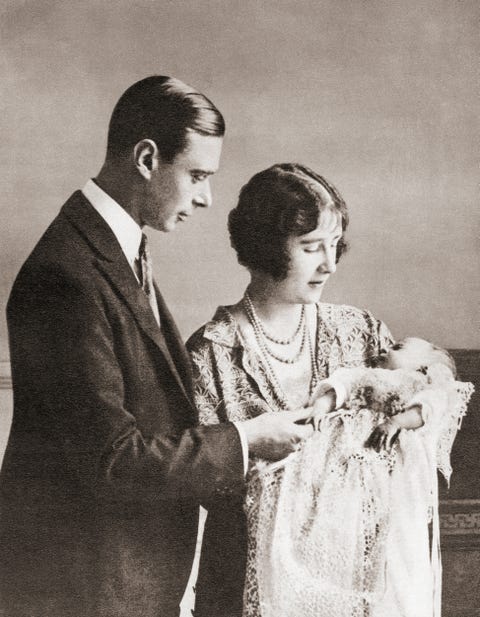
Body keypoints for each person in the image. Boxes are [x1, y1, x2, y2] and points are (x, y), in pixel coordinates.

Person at [0, 78, 313, 617]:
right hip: (78, 588)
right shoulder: (65, 273)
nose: (206, 197)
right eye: (197, 175)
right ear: (147, 157)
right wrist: (245, 439)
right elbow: (113, 460)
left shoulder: (113, 250)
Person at [187, 163, 395, 617]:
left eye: (335, 245)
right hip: (245, 582)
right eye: (310, 247)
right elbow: (202, 482)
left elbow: (415, 408)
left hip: (351, 583)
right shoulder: (211, 353)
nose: (330, 264)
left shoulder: (360, 331)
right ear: (264, 247)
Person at [248, 337, 473, 617]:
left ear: (428, 365)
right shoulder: (370, 376)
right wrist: (322, 407)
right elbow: (343, 386)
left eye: (399, 347)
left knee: (392, 547)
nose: (384, 349)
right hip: (341, 456)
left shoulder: (427, 383)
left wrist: (396, 422)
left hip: (388, 459)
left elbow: (428, 409)